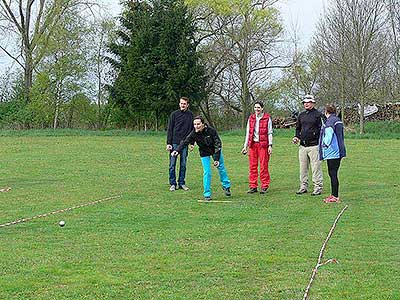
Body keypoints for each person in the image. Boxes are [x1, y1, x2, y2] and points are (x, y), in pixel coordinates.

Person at [171, 116, 231, 201]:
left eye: (198, 124)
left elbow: (218, 143)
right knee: (207, 172)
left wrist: (216, 159)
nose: (196, 126)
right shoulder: (194, 133)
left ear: (203, 124)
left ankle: (226, 186)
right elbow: (185, 142)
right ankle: (207, 194)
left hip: (215, 150)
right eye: (194, 124)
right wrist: (177, 150)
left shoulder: (211, 131)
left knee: (221, 168)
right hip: (204, 152)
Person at [292, 95, 325, 196]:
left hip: (314, 146)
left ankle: (318, 187)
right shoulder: (301, 115)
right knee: (303, 168)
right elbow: (298, 128)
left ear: (313, 103)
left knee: (316, 168)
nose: (306, 104)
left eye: (308, 102)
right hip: (302, 146)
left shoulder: (318, 115)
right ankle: (303, 187)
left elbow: (323, 130)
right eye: (304, 102)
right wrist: (296, 137)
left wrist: (320, 142)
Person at [241, 101, 273, 194]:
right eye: (255, 107)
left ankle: (264, 185)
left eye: (258, 107)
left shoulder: (267, 118)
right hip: (253, 145)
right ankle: (253, 186)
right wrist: (245, 146)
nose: (257, 109)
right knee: (252, 166)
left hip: (263, 145)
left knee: (263, 165)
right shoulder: (251, 118)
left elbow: (270, 132)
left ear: (262, 108)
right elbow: (248, 133)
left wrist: (270, 145)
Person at [319, 104, 346, 203]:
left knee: (332, 173)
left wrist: (325, 145)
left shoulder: (330, 121)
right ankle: (334, 195)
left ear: (326, 112)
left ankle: (335, 196)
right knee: (334, 173)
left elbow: (329, 134)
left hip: (333, 151)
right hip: (339, 150)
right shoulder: (338, 120)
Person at [166, 97, 194, 191]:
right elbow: (170, 129)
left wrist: (192, 143)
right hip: (174, 143)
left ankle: (182, 183)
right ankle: (173, 184)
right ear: (179, 104)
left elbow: (192, 130)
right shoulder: (174, 114)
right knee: (172, 164)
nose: (182, 105)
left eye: (184, 104)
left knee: (183, 164)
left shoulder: (191, 115)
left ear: (187, 105)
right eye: (181, 103)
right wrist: (168, 143)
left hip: (185, 143)